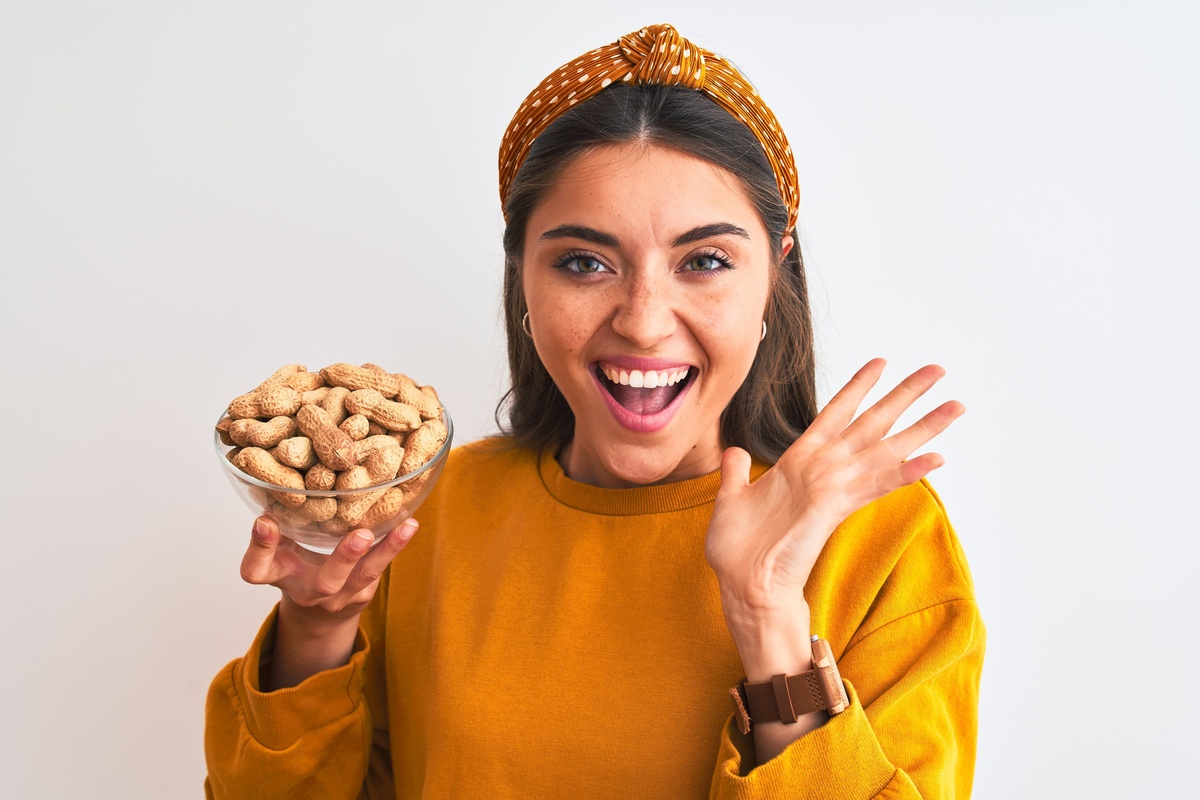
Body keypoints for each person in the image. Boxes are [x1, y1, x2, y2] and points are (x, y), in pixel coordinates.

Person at [205, 23, 984, 799]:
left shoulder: (882, 540)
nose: (644, 321)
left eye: (705, 261)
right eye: (584, 263)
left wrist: (769, 621)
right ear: (524, 284)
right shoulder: (422, 514)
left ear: (774, 281)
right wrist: (317, 627)